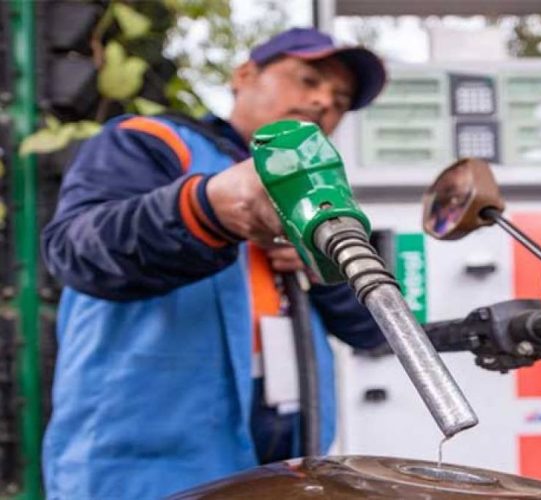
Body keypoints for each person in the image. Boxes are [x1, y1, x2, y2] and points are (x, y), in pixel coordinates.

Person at [42, 27, 388, 499]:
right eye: (308, 80)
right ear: (244, 75)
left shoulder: (321, 193)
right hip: (140, 470)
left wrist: (319, 264)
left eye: (341, 99)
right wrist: (206, 210)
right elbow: (74, 250)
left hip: (287, 466)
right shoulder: (153, 142)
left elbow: (372, 330)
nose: (324, 101)